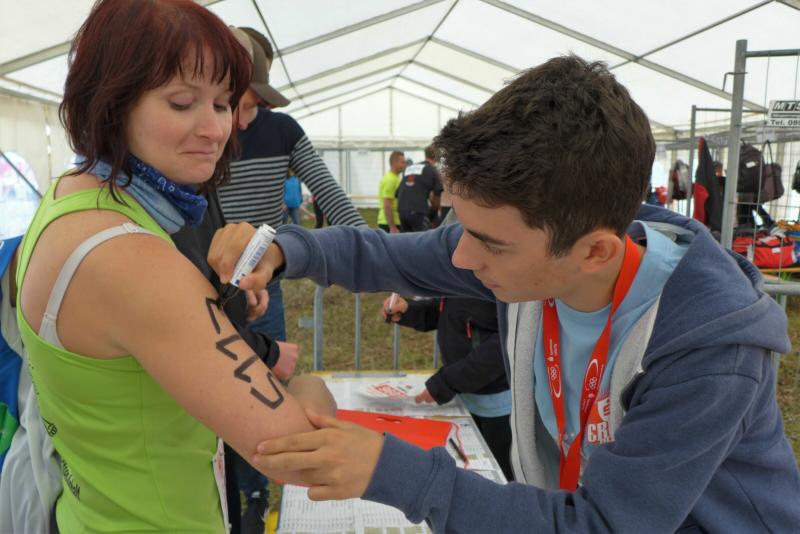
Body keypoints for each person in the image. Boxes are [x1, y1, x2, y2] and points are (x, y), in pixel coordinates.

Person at [210, 56, 800, 532]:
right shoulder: (538, 243)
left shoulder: (708, 353)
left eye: (489, 243)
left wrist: (393, 472)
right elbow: (384, 256)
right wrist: (283, 248)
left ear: (595, 253)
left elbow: (602, 525)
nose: (460, 259)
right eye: (462, 228)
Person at [15, 2, 335, 532]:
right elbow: (302, 449)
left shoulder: (71, 196)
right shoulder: (129, 257)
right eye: (182, 103)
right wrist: (314, 386)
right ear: (112, 101)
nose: (215, 129)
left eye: (224, 103)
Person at [382, 290, 513, 481]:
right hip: (466, 395)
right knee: (473, 472)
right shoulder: (466, 278)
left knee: (501, 477)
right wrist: (410, 310)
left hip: (499, 406)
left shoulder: (501, 287)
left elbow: (500, 348)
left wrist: (445, 382)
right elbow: (448, 310)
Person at [397, 145, 443, 232]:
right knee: (422, 239)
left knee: (405, 239)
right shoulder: (433, 171)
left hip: (402, 211)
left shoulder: (410, 168)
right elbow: (436, 200)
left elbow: (397, 192)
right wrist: (431, 217)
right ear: (437, 157)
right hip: (418, 212)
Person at [377, 151, 405, 233]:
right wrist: (392, 227)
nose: (404, 165)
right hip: (388, 224)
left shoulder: (396, 178)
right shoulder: (390, 180)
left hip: (393, 222)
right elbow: (387, 204)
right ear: (394, 163)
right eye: (402, 162)